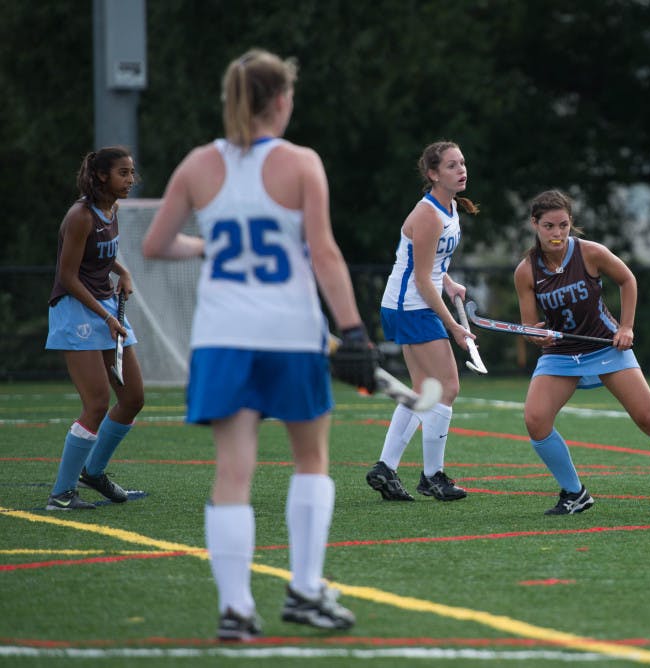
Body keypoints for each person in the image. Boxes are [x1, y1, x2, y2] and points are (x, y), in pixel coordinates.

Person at [142, 49, 379, 642]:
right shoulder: (301, 163)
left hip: (222, 337)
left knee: (233, 471)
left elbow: (155, 244)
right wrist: (353, 331)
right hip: (290, 335)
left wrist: (206, 246)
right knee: (311, 460)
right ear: (280, 100)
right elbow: (323, 253)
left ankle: (236, 609)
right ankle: (303, 590)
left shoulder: (199, 164)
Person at [513, 190, 650, 517]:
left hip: (604, 346)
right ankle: (574, 493)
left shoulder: (590, 254)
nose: (557, 234)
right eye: (548, 226)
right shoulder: (526, 272)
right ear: (534, 225)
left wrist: (625, 327)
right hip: (561, 354)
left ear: (571, 223)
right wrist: (537, 336)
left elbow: (627, 280)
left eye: (563, 225)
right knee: (535, 420)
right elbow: (530, 325)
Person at [365, 141, 478, 503]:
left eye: (462, 163)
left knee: (423, 391)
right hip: (412, 306)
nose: (461, 170)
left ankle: (385, 468)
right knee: (447, 387)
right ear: (432, 174)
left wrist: (450, 283)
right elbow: (421, 280)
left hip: (411, 302)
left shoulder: (451, 207)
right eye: (451, 166)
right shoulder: (428, 214)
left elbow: (430, 268)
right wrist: (454, 327)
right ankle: (432, 477)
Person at [45, 146, 144, 511]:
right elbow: (67, 276)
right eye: (124, 173)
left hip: (104, 306)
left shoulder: (111, 209)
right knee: (98, 403)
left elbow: (101, 254)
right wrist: (106, 318)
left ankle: (94, 472)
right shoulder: (80, 216)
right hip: (77, 309)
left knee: (133, 398)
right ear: (102, 175)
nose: (130, 180)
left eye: (132, 173)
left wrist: (124, 273)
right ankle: (61, 494)